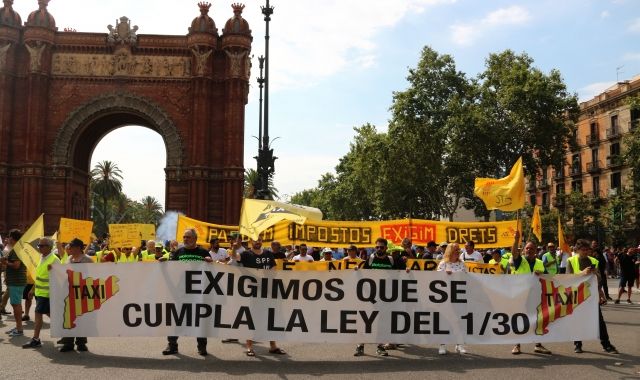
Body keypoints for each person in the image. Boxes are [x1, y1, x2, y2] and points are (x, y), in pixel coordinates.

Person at [162, 228, 212, 356]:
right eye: (184, 237)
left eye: (188, 237)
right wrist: (164, 264)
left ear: (195, 239)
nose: (185, 239)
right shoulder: (178, 252)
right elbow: (172, 270)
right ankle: (172, 345)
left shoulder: (203, 252)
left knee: (200, 319)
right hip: (181, 292)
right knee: (176, 318)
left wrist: (210, 263)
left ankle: (202, 346)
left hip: (199, 292)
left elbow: (213, 271)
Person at [232, 237, 285, 357]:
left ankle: (273, 345)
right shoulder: (246, 254)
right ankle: (249, 346)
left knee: (270, 317)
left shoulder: (268, 253)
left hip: (267, 290)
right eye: (255, 240)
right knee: (252, 318)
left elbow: (273, 268)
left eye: (260, 240)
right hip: (252, 291)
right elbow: (235, 258)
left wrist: (268, 276)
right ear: (251, 242)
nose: (258, 242)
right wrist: (234, 248)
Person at [569, 239, 618, 354]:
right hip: (576, 296)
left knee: (600, 321)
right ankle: (577, 344)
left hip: (591, 296)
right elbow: (568, 279)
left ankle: (606, 345)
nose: (585, 252)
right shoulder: (570, 261)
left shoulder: (594, 261)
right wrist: (582, 273)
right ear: (577, 250)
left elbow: (599, 280)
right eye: (583, 250)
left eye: (587, 250)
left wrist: (601, 294)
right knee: (578, 321)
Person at [508, 231, 551, 355]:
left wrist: (541, 275)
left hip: (536, 297)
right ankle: (517, 345)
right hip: (521, 296)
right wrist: (516, 240)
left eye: (531, 248)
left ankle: (538, 345)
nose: (529, 250)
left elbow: (550, 278)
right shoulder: (520, 261)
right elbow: (514, 253)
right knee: (520, 320)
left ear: (535, 250)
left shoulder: (540, 263)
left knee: (537, 321)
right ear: (524, 250)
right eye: (527, 248)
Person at [354, 237, 395, 357]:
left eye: (381, 247)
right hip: (370, 297)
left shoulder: (391, 260)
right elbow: (364, 275)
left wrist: (407, 270)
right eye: (377, 247)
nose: (379, 249)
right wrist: (357, 270)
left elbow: (401, 273)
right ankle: (360, 346)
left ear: (386, 248)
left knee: (382, 323)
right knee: (365, 321)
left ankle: (380, 347)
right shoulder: (370, 259)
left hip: (385, 298)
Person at [22, 237, 60, 348]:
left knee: (38, 313)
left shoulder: (54, 259)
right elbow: (39, 276)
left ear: (49, 247)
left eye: (42, 246)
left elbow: (61, 277)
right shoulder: (42, 257)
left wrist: (53, 271)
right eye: (39, 245)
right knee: (50, 314)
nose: (39, 248)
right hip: (39, 292)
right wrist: (33, 289)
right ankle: (66, 330)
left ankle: (35, 339)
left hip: (47, 294)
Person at [59, 238, 93, 352]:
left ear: (78, 248)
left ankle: (81, 343)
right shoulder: (68, 259)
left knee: (81, 318)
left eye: (71, 246)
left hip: (82, 293)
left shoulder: (88, 260)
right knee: (69, 317)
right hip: (69, 292)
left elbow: (93, 276)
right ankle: (68, 343)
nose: (69, 248)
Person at [436, 243, 467, 355]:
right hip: (445, 297)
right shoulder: (444, 263)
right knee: (445, 320)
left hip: (458, 296)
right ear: (450, 251)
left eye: (458, 250)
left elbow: (466, 277)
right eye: (455, 250)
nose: (458, 252)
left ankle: (459, 344)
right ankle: (442, 344)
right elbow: (436, 278)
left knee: (458, 320)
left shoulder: (462, 263)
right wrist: (445, 274)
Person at [3, 229, 26, 337]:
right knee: (16, 304)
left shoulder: (16, 250)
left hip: (16, 281)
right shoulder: (16, 249)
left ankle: (19, 329)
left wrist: (5, 262)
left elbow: (16, 265)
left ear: (12, 238)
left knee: (16, 304)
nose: (8, 238)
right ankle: (18, 326)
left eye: (9, 236)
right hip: (16, 281)